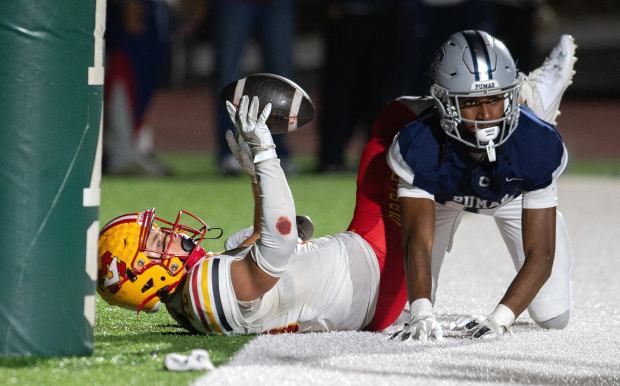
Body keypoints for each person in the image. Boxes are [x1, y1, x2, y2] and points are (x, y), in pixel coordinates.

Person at [97, 35, 575, 336]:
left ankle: (497, 143)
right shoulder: (205, 289)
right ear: (146, 275)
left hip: (365, 287)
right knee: (391, 126)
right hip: (375, 271)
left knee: (550, 311)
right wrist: (265, 155)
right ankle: (527, 102)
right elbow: (281, 242)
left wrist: (256, 182)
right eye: (155, 241)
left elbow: (286, 240)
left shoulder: (190, 304)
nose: (167, 231)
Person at [387, 30, 576, 341]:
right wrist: (422, 312)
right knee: (402, 311)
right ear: (445, 103)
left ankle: (535, 97)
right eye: (471, 102)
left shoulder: (535, 144)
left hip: (512, 194)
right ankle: (525, 98)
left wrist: (500, 318)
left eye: (495, 99)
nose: (487, 115)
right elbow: (416, 241)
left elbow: (540, 255)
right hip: (444, 197)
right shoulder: (420, 145)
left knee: (554, 316)